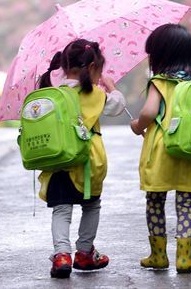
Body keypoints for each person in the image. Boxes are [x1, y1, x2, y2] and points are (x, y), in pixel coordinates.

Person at [37, 39, 126, 279]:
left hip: (58, 163)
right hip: (88, 163)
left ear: (64, 66)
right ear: (94, 67)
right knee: (91, 205)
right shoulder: (96, 94)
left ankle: (62, 254)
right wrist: (112, 87)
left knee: (61, 210)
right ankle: (85, 252)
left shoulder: (53, 94)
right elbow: (117, 106)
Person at [130, 24, 191, 274]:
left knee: (155, 202)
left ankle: (158, 255)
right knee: (187, 204)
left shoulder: (160, 82)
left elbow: (149, 112)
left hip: (162, 152)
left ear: (161, 55)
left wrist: (137, 125)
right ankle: (185, 258)